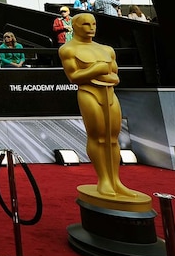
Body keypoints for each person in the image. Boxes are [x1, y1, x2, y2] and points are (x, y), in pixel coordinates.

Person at [59, 13, 142, 200]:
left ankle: (116, 181)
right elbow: (74, 77)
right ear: (75, 26)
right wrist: (98, 69)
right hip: (89, 93)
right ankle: (104, 180)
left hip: (110, 94)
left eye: (93, 24)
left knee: (113, 138)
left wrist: (95, 72)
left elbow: (115, 77)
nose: (91, 27)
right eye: (86, 24)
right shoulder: (68, 49)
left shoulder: (107, 49)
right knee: (97, 137)